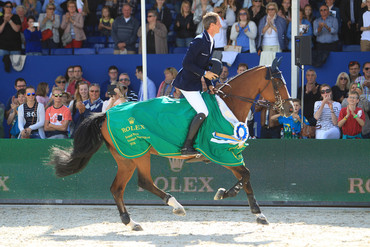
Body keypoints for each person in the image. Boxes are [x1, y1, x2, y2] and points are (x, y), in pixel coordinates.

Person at [173, 12, 221, 155]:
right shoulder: (199, 40)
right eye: (218, 23)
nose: (220, 26)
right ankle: (186, 146)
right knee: (203, 111)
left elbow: (205, 65)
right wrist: (205, 74)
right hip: (187, 83)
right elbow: (186, 63)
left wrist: (209, 83)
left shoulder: (211, 41)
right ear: (211, 25)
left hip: (195, 83)